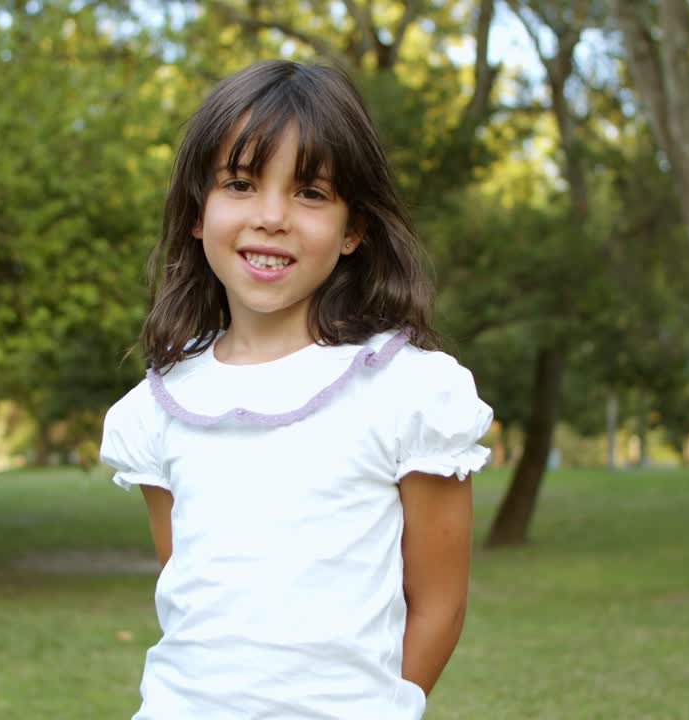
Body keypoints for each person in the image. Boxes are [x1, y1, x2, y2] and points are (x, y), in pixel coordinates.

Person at [100, 59, 493, 719]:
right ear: (198, 211)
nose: (272, 216)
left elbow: (438, 602)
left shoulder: (408, 392)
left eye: (311, 192)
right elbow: (188, 587)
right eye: (241, 183)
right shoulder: (159, 406)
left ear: (353, 229)